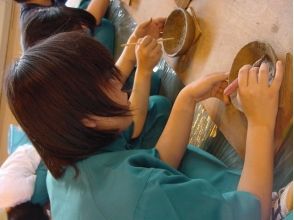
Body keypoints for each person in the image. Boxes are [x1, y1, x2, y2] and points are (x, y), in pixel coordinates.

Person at [4, 31, 290, 220]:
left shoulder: (64, 172)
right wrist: (260, 124)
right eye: (107, 79)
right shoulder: (134, 197)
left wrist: (187, 98)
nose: (119, 80)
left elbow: (155, 162)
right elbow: (252, 213)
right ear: (86, 118)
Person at [14, 0, 115, 55]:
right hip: (73, 69)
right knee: (104, 27)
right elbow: (91, 20)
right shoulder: (36, 18)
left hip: (73, 37)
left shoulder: (44, 2)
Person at [0, 144, 49, 219]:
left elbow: (29, 188)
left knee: (33, 205)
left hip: (42, 159)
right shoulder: (4, 198)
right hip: (33, 152)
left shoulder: (6, 194)